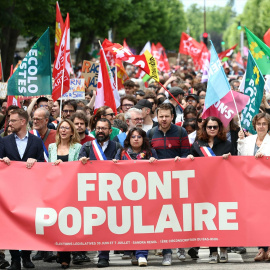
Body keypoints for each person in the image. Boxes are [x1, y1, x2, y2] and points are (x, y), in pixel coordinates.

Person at [0, 108, 44, 270]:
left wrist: (36, 162)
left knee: (28, 223)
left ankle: (26, 256)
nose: (9, 124)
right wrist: (2, 160)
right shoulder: (4, 141)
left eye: (12, 121)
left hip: (30, 191)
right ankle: (15, 260)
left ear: (23, 121)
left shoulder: (36, 141)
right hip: (9, 191)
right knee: (11, 225)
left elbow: (43, 164)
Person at [146, 103, 190, 266]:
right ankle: (166, 251)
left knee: (178, 215)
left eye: (167, 116)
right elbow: (147, 154)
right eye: (161, 116)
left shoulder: (181, 132)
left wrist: (181, 160)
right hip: (157, 183)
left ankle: (181, 245)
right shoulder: (150, 133)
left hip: (177, 181)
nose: (163, 119)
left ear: (173, 117)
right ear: (157, 117)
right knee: (162, 217)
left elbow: (186, 153)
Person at [187, 116, 233, 264]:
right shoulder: (198, 145)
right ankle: (213, 251)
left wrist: (230, 159)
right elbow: (190, 160)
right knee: (210, 220)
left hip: (223, 187)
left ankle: (224, 249)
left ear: (219, 128)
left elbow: (236, 163)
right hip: (204, 188)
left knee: (222, 219)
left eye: (215, 127)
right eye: (209, 127)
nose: (212, 129)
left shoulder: (227, 144)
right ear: (204, 128)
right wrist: (188, 157)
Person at [78, 118, 121, 268]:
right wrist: (81, 162)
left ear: (110, 131)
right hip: (91, 191)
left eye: (104, 128)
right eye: (98, 128)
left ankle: (104, 256)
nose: (100, 131)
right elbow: (77, 167)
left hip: (110, 192)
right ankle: (83, 252)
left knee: (106, 224)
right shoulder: (87, 146)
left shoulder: (117, 147)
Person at [113, 127, 158, 267]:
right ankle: (132, 251)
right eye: (133, 137)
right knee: (129, 224)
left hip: (145, 194)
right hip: (125, 194)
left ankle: (142, 254)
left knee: (142, 224)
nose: (136, 139)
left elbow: (161, 170)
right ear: (129, 139)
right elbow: (112, 170)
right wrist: (114, 164)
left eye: (139, 137)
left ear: (143, 139)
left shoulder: (151, 152)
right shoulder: (121, 153)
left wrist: (154, 162)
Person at [48, 119, 82, 269]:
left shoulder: (78, 147)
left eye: (67, 128)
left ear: (72, 132)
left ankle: (65, 257)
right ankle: (59, 251)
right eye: (61, 128)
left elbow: (77, 167)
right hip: (55, 189)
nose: (63, 130)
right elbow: (47, 167)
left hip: (71, 189)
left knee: (67, 222)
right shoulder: (51, 147)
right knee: (56, 223)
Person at [238, 112, 270, 262]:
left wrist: (265, 158)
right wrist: (240, 142)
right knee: (257, 217)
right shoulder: (249, 140)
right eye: (259, 124)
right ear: (254, 125)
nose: (261, 126)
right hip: (252, 185)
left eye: (264, 124)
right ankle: (261, 249)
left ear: (268, 126)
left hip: (267, 185)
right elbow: (241, 159)